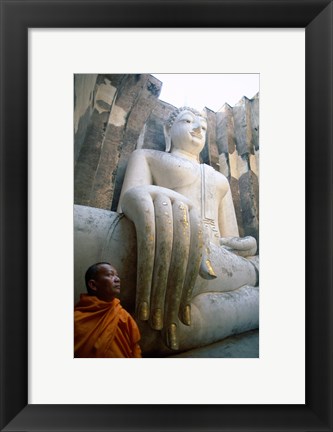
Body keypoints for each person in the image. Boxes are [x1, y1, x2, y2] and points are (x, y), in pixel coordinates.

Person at [117, 106, 259, 350]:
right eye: (188, 121)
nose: (197, 129)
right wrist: (147, 197)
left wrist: (246, 245)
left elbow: (230, 238)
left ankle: (220, 310)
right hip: (170, 247)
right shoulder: (148, 157)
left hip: (219, 257)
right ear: (168, 129)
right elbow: (124, 213)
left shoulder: (219, 179)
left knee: (258, 266)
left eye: (203, 127)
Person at [74, 262, 142, 358]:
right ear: (93, 285)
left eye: (117, 276)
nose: (117, 279)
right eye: (110, 275)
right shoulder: (77, 320)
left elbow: (135, 347)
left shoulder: (121, 314)